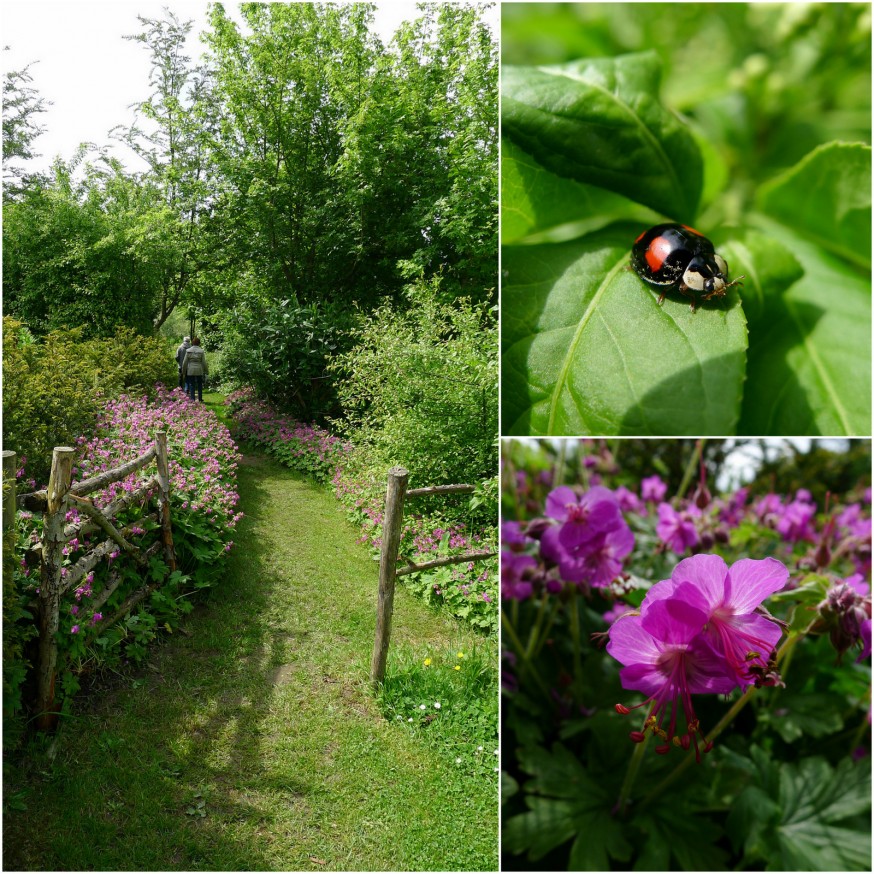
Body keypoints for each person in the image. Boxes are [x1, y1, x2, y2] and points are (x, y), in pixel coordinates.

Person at [181, 337, 209, 402]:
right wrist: (206, 371)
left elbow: (185, 362)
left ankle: (192, 399)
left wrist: (183, 372)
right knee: (199, 384)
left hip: (191, 369)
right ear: (199, 343)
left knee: (191, 384)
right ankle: (200, 398)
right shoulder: (201, 351)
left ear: (192, 343)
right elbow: (204, 362)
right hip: (199, 369)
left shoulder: (188, 351)